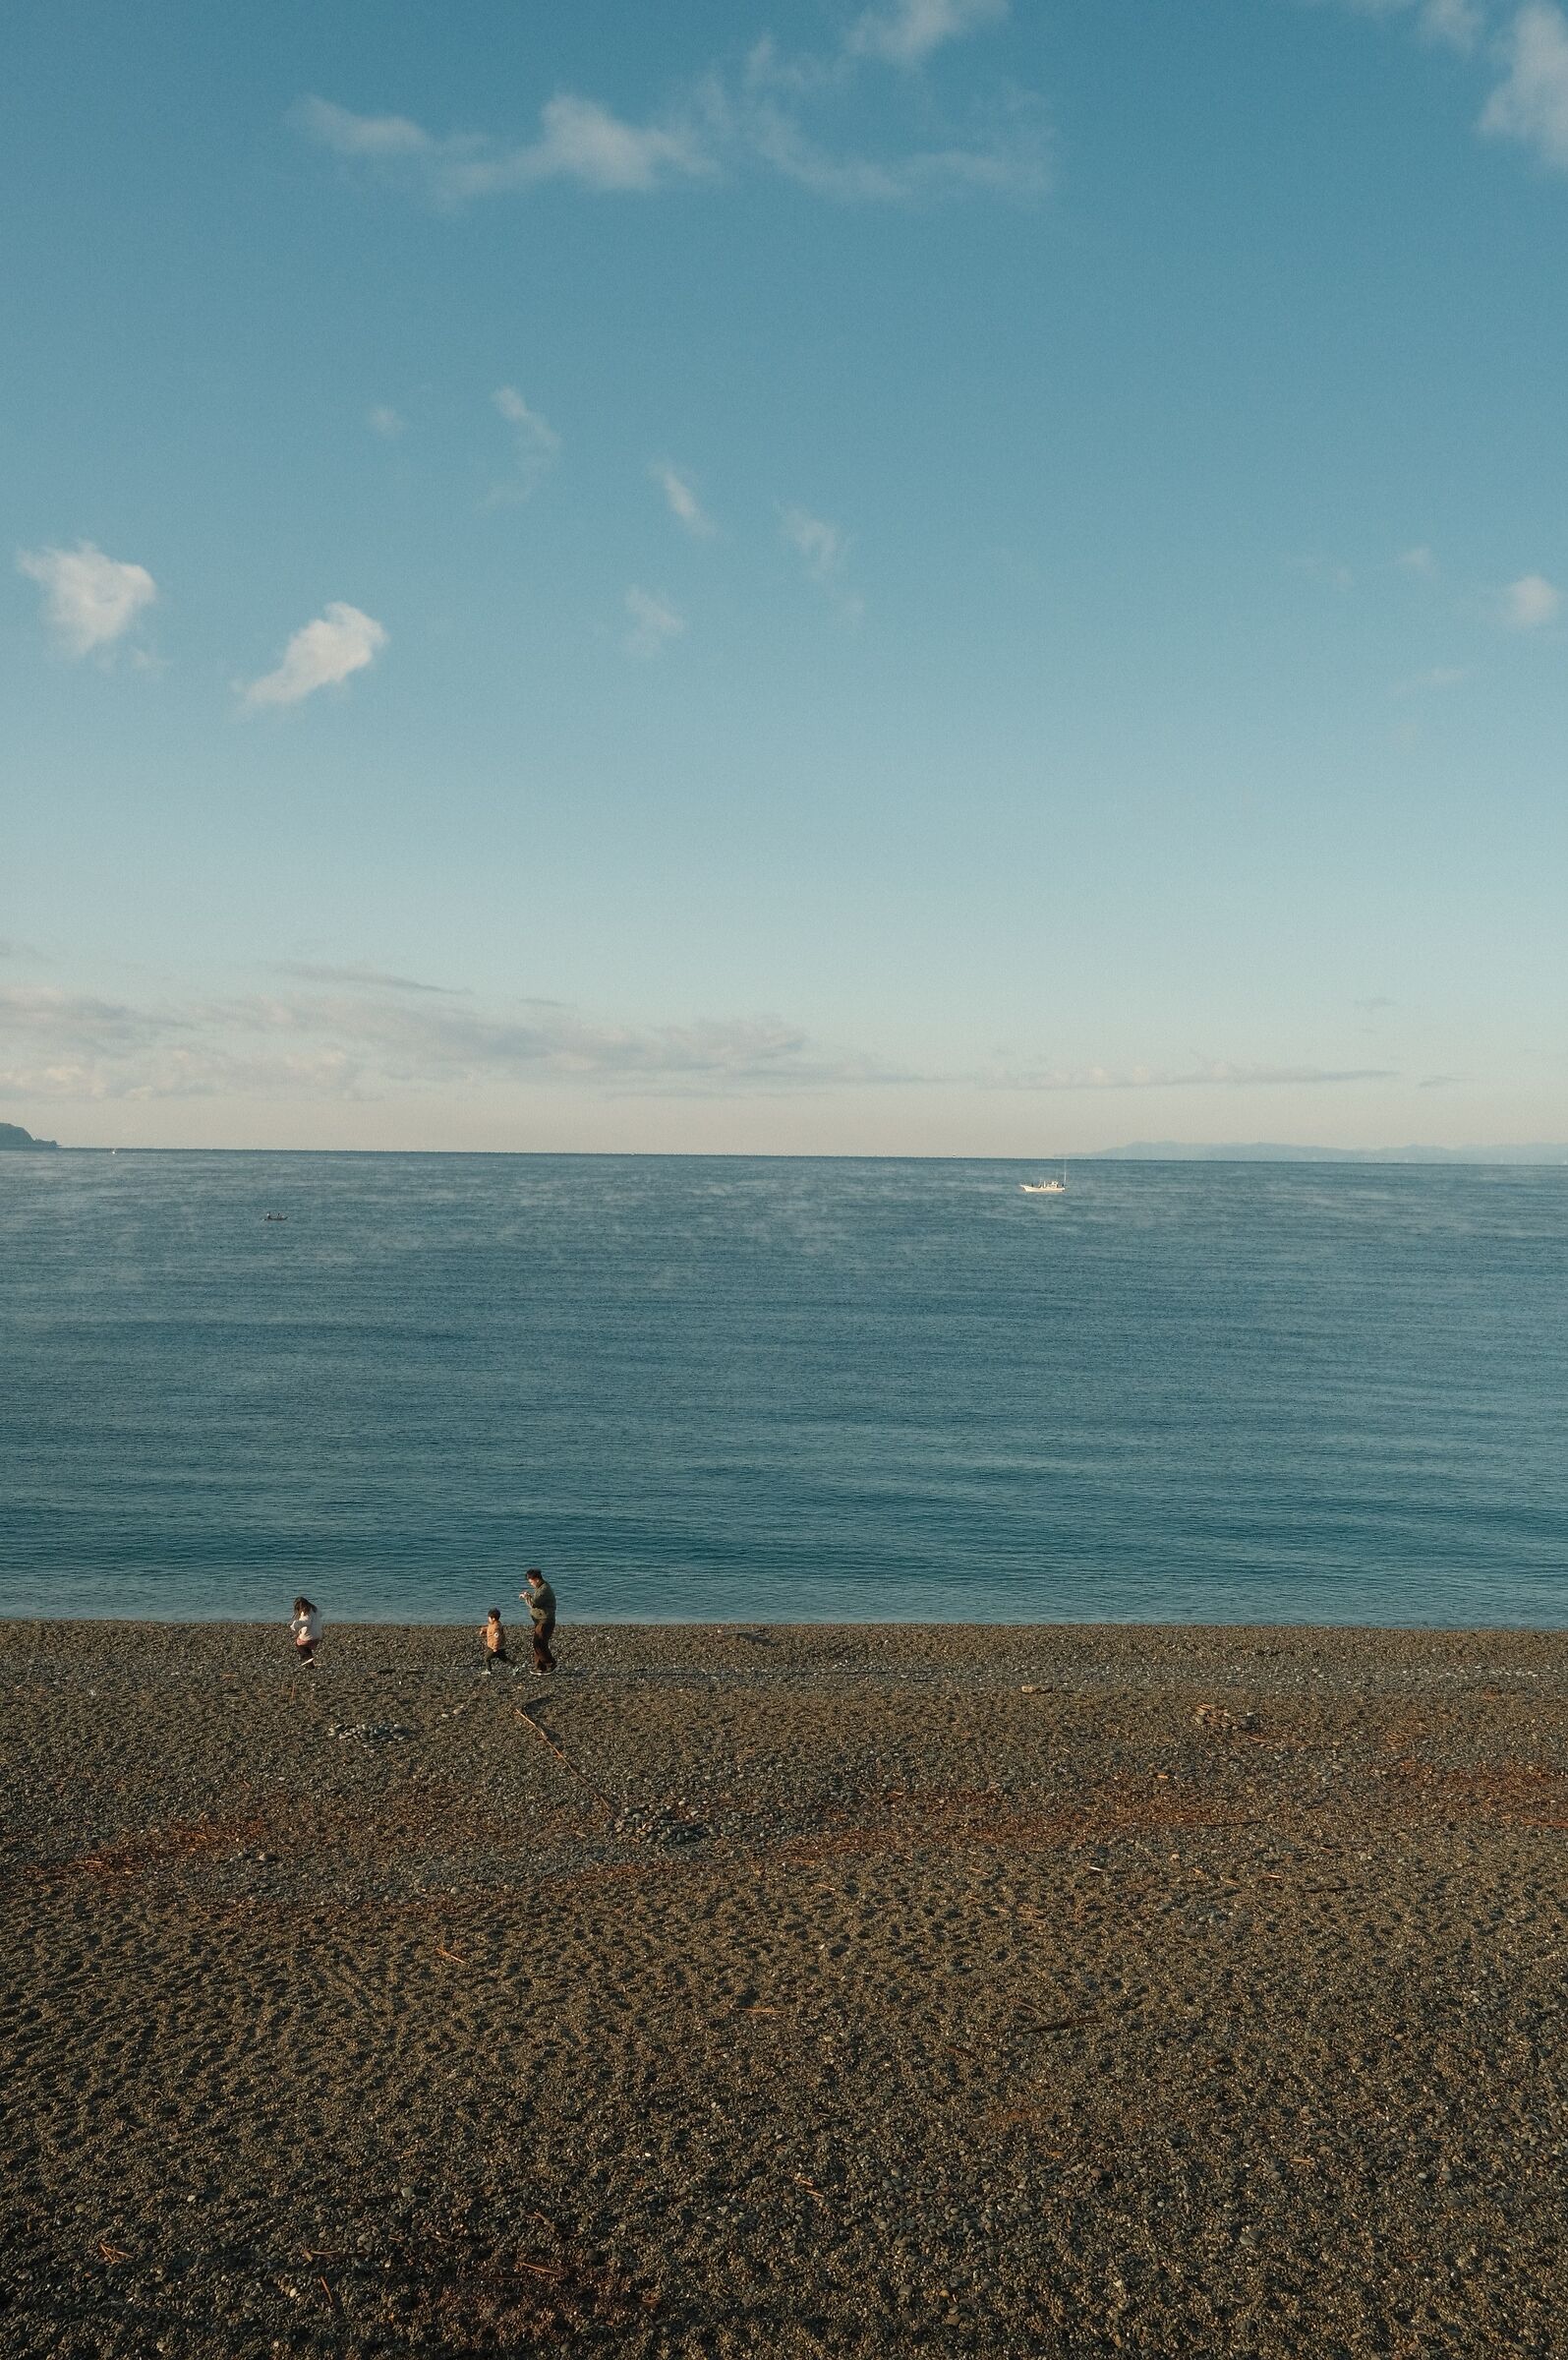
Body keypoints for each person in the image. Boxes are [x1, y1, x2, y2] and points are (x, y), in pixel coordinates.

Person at [519, 1568, 557, 1673]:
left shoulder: (544, 1589)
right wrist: (528, 1597)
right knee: (539, 1643)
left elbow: (534, 1603)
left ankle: (550, 1663)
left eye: (531, 1582)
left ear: (536, 1579)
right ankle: (539, 1667)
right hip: (540, 1620)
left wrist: (526, 1597)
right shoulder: (540, 1587)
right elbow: (535, 1601)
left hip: (545, 1620)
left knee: (539, 1644)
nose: (531, 1584)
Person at [479, 1607, 512, 1675]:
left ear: (493, 1618)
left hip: (495, 1646)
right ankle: (514, 1666)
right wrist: (483, 1630)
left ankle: (489, 1670)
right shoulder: (494, 1624)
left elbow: (497, 1637)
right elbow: (489, 1629)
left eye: (489, 1618)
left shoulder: (495, 1627)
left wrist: (495, 1647)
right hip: (501, 1646)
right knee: (503, 1658)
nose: (488, 1619)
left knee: (486, 1658)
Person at [289, 1596, 321, 1667]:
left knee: (299, 1644)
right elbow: (321, 1614)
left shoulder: (306, 1611)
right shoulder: (315, 1609)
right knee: (306, 1647)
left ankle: (308, 1659)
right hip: (318, 1634)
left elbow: (305, 1621)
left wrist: (295, 1624)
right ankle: (310, 1660)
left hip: (310, 1636)